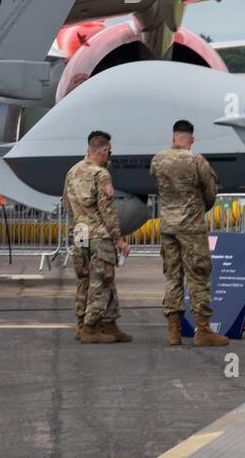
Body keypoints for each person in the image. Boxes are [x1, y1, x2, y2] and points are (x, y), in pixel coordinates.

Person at [149, 120, 228, 347]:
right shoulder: (196, 160)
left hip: (167, 227)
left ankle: (173, 332)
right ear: (191, 138)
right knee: (198, 277)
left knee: (173, 277)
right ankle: (203, 331)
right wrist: (198, 208)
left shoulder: (158, 160)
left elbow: (158, 185)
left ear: (173, 137)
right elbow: (210, 192)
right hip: (192, 229)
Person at [63, 130, 130, 344]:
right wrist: (119, 239)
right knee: (101, 280)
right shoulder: (100, 175)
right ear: (104, 151)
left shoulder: (73, 171)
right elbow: (107, 210)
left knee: (84, 279)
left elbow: (67, 203)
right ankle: (91, 328)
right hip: (99, 235)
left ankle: (93, 323)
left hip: (80, 232)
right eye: (109, 152)